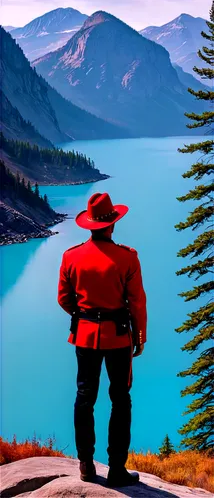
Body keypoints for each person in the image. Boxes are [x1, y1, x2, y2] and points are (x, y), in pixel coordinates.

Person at [57, 192, 147, 488]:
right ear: (112, 224)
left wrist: (84, 316)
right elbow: (136, 303)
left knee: (85, 399)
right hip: (118, 337)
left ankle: (85, 465)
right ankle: (116, 469)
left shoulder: (70, 256)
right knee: (120, 401)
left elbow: (63, 299)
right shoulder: (127, 257)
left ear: (90, 225)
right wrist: (140, 337)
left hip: (84, 336)